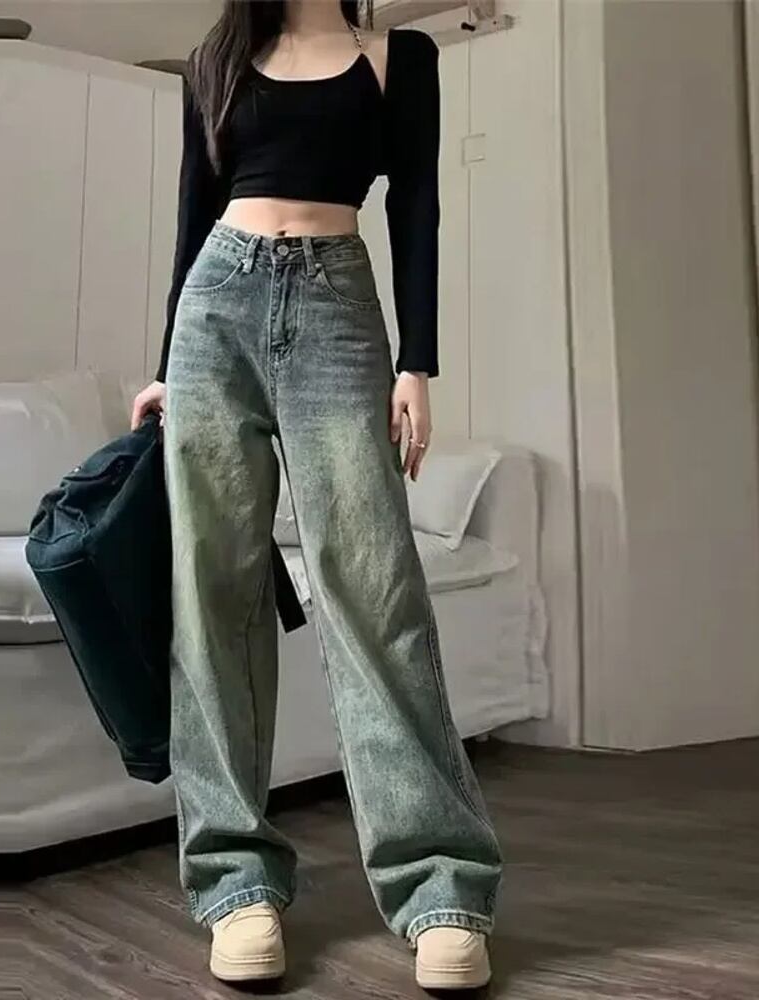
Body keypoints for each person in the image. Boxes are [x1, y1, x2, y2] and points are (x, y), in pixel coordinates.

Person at [130, 0, 502, 989]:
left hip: (338, 301)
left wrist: (417, 362)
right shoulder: (218, 58)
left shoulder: (400, 57)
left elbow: (415, 201)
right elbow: (195, 205)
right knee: (213, 592)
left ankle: (439, 885)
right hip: (216, 307)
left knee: (375, 589)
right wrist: (166, 363)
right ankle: (235, 883)